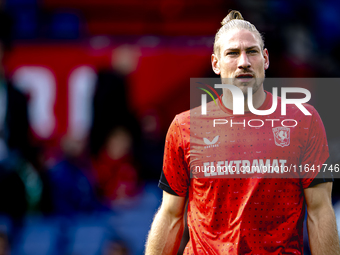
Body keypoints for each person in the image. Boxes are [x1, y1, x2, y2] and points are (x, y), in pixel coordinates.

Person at [145, 10, 340, 255]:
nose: (244, 62)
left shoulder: (305, 121)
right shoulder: (184, 126)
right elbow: (171, 214)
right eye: (232, 53)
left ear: (265, 59)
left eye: (252, 51)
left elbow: (320, 210)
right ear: (216, 63)